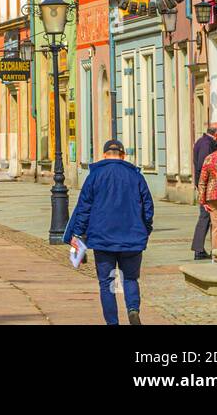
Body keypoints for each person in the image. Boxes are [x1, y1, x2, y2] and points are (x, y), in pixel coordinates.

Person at [63, 139, 154, 326]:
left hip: (102, 238)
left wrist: (78, 234)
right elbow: (148, 207)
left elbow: (84, 208)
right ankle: (133, 309)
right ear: (123, 155)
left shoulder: (95, 176)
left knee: (106, 282)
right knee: (130, 277)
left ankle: (112, 322)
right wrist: (145, 229)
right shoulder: (136, 176)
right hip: (132, 238)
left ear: (104, 155)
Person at [190, 122, 217, 259]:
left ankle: (200, 249)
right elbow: (202, 167)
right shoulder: (206, 144)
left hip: (207, 187)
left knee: (207, 218)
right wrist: (201, 188)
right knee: (205, 217)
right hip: (208, 188)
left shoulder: (203, 141)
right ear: (216, 133)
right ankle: (198, 250)